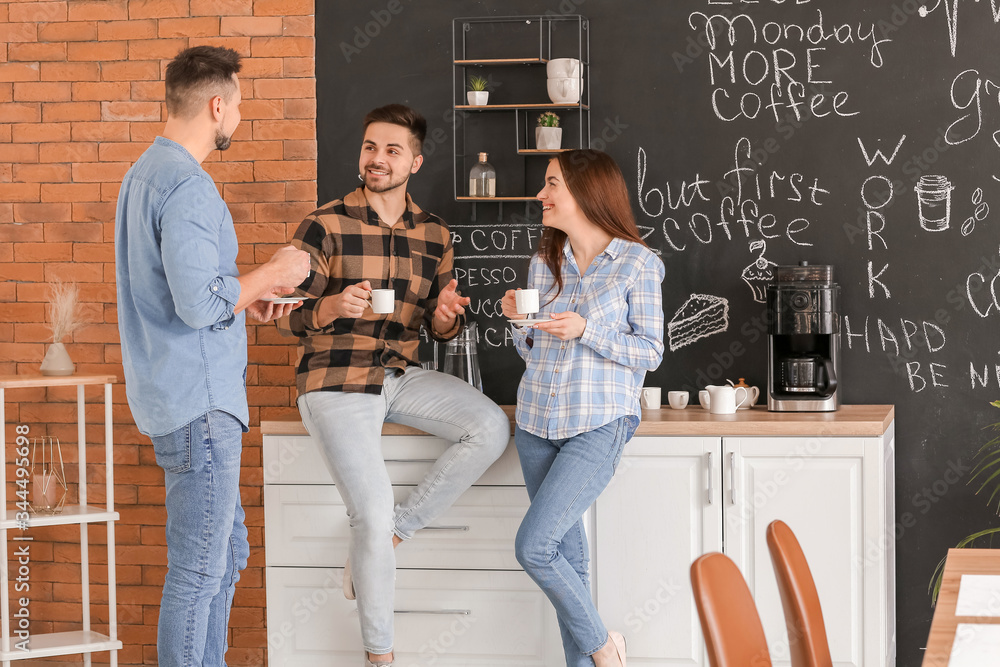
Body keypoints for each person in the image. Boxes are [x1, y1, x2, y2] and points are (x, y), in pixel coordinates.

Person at [277, 104, 510, 666]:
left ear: (415, 161)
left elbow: (437, 323)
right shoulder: (324, 223)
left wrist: (450, 314)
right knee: (371, 511)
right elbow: (288, 315)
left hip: (399, 375)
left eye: (391, 150)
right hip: (335, 379)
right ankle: (380, 657)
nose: (376, 159)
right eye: (369, 148)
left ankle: (391, 539)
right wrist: (329, 304)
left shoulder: (434, 235)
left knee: (491, 426)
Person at [114, 45, 311, 666]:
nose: (238, 119)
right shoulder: (189, 187)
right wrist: (274, 272)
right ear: (217, 104)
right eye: (239, 107)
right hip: (200, 404)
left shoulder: (142, 176)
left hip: (173, 397)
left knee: (227, 555)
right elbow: (200, 305)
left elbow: (183, 293)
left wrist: (245, 300)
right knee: (200, 569)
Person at [501, 149, 665, 667]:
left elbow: (651, 352)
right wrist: (519, 322)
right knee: (566, 558)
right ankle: (596, 655)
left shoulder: (638, 264)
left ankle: (603, 649)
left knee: (534, 547)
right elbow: (534, 351)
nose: (540, 195)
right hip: (535, 423)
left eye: (551, 184)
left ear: (586, 192)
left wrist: (586, 329)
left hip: (599, 425)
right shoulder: (543, 262)